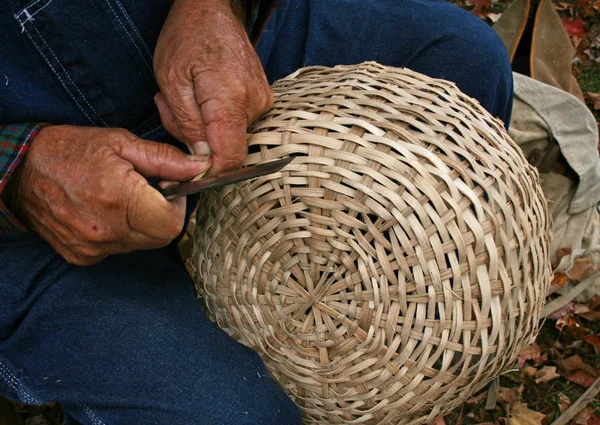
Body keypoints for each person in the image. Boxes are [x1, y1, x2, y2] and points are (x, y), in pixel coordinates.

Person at [0, 0, 513, 424]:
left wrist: (211, 9)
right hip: (22, 208)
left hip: (197, 47)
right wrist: (20, 173)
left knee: (465, 59)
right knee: (233, 413)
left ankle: (384, 366)